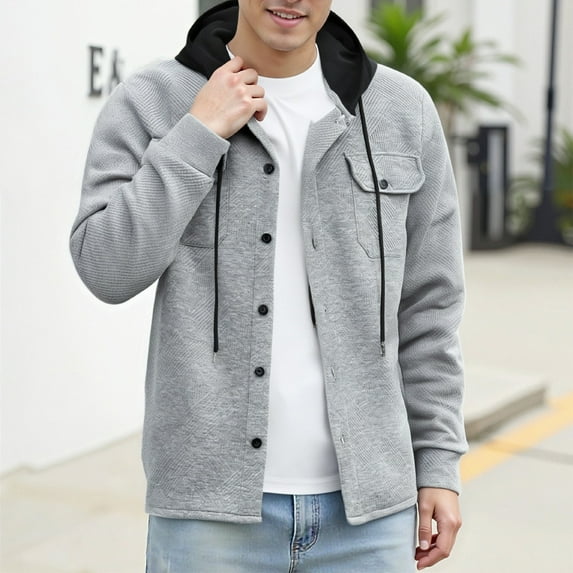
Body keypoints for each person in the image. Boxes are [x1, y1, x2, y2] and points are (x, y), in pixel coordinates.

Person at [70, 0, 468, 570]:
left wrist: (438, 463)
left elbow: (430, 305)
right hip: (207, 516)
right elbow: (105, 268)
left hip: (371, 516)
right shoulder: (153, 99)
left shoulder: (401, 109)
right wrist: (198, 134)